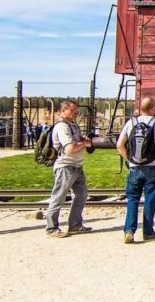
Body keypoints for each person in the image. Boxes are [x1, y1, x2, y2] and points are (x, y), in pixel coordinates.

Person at [116, 97, 155, 244]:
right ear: (152, 108)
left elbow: (120, 145)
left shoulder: (131, 122)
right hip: (152, 166)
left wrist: (128, 159)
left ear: (141, 109)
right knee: (150, 199)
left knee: (132, 199)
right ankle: (148, 232)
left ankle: (129, 231)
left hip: (134, 167)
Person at [45, 100, 92, 238]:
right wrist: (84, 144)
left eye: (76, 110)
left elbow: (77, 141)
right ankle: (51, 228)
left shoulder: (73, 125)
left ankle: (75, 225)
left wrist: (82, 139)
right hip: (65, 166)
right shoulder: (62, 126)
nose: (76, 112)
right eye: (73, 110)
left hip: (77, 166)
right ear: (63, 111)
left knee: (81, 196)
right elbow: (70, 148)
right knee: (58, 197)